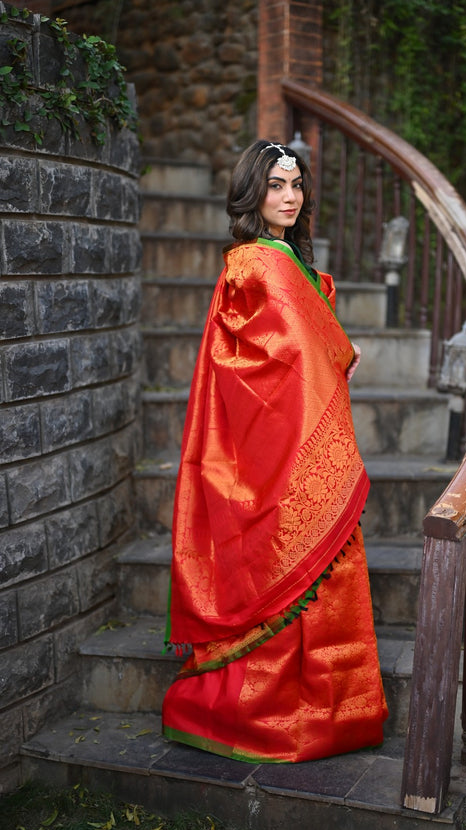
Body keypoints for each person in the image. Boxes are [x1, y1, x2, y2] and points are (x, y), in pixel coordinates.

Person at [162, 139, 388, 762]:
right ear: (252, 192)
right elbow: (284, 349)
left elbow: (304, 340)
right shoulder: (256, 263)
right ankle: (279, 716)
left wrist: (330, 342)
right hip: (280, 443)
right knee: (297, 556)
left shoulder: (275, 259)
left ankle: (320, 710)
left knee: (318, 562)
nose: (290, 198)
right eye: (277, 186)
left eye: (296, 186)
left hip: (296, 432)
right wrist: (337, 346)